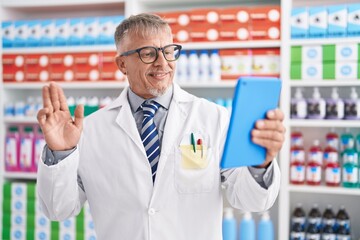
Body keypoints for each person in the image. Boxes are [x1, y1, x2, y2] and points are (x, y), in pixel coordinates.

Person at [36, 13, 285, 240]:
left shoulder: (214, 118)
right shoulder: (90, 131)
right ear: (122, 64)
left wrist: (260, 164)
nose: (162, 63)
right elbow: (58, 209)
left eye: (168, 50)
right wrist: (60, 154)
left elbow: (252, 200)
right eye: (148, 53)